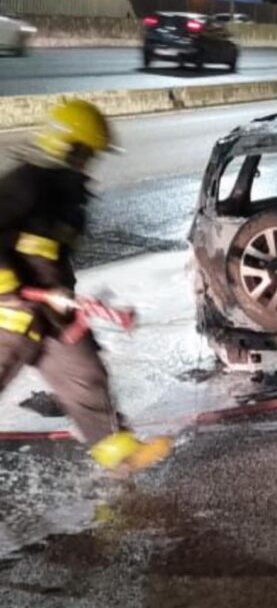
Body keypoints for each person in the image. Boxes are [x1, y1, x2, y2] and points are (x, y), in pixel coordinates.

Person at [0, 98, 172, 473]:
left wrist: (70, 305)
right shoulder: (27, 183)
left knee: (87, 374)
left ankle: (119, 454)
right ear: (73, 148)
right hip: (8, 316)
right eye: (89, 155)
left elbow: (53, 258)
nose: (90, 164)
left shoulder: (67, 197)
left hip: (50, 315)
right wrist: (7, 287)